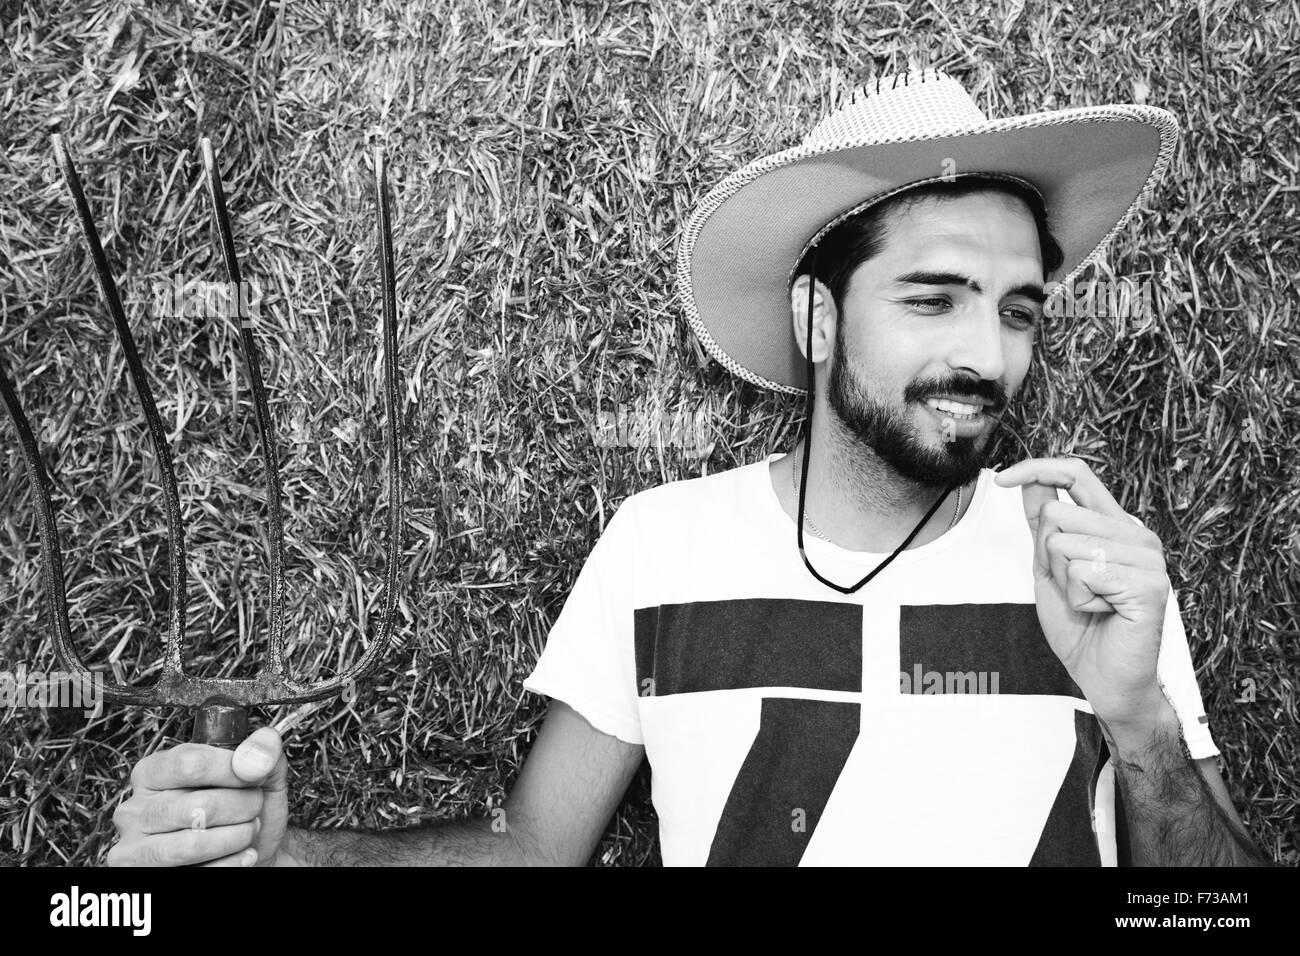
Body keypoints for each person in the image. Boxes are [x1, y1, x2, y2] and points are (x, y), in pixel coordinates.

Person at [108, 69, 1269, 867]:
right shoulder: (664, 539)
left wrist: (1140, 724)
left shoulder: (1088, 563)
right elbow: (531, 853)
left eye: (1017, 309)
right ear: (817, 320)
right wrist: (287, 855)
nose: (986, 353)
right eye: (932, 298)